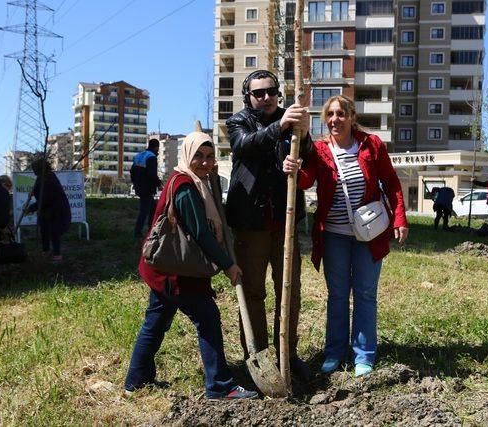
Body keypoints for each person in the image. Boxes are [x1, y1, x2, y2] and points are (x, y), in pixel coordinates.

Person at [125, 132, 257, 400]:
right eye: (198, 156)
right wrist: (229, 265)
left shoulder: (194, 180)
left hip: (165, 267)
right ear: (186, 155)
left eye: (210, 157)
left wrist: (210, 176)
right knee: (207, 318)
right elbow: (201, 233)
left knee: (156, 320)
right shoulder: (185, 186)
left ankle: (135, 381)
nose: (205, 162)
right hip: (176, 272)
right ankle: (220, 386)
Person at [283, 95, 408, 377]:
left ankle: (363, 355)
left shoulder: (371, 144)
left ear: (351, 117)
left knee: (365, 294)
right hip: (334, 237)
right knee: (337, 295)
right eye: (330, 114)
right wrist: (293, 170)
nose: (334, 120)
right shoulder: (319, 149)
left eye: (340, 114)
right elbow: (307, 180)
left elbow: (390, 182)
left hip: (369, 235)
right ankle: (335, 352)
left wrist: (400, 217)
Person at [225, 69, 313, 380]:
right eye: (258, 93)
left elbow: (310, 155)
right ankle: (259, 355)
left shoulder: (294, 120)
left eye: (271, 91)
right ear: (247, 98)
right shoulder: (239, 122)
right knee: (253, 292)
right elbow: (246, 146)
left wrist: (298, 153)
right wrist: (282, 125)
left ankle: (288, 351)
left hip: (286, 223)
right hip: (251, 223)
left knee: (290, 291)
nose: (266, 98)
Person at [29, 157, 71, 263]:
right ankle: (45, 252)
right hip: (46, 211)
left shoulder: (49, 179)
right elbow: (38, 190)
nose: (33, 171)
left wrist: (32, 208)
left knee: (54, 233)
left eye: (34, 168)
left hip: (56, 211)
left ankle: (57, 255)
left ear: (40, 168)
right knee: (44, 231)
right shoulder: (41, 177)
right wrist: (33, 192)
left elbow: (46, 199)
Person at [131, 139, 162, 238]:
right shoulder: (151, 157)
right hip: (147, 188)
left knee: (153, 208)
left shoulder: (139, 156)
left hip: (139, 186)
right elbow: (151, 174)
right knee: (144, 211)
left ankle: (150, 230)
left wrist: (135, 183)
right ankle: (137, 233)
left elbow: (132, 171)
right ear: (156, 147)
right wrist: (159, 183)